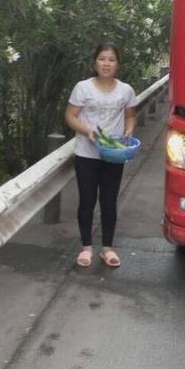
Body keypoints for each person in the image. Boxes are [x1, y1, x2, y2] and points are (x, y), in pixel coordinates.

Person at [65, 42, 138, 268]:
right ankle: (86, 247)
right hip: (86, 153)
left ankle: (107, 248)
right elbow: (70, 116)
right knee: (87, 201)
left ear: (118, 64)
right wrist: (87, 130)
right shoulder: (83, 88)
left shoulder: (125, 90)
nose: (106, 63)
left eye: (111, 60)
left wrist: (128, 131)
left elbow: (130, 116)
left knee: (109, 201)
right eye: (102, 59)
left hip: (112, 154)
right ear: (95, 62)